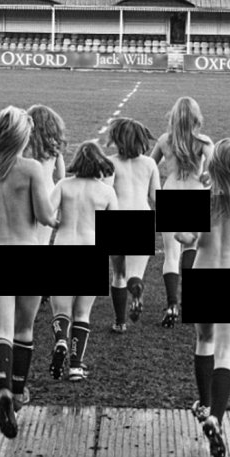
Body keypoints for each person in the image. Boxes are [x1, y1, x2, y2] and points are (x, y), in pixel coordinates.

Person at [0, 106, 58, 439]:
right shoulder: (32, 168)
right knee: (24, 329)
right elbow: (44, 216)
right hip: (29, 253)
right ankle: (18, 392)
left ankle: (2, 388)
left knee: (1, 331)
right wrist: (59, 217)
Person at [175, 138, 230, 457]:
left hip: (203, 273)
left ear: (214, 167)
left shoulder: (203, 199)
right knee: (227, 354)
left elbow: (184, 236)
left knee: (204, 341)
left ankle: (204, 403)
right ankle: (216, 418)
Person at [48, 141, 118, 381]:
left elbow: (46, 212)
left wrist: (56, 223)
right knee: (82, 312)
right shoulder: (106, 192)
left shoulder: (64, 185)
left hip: (64, 247)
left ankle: (61, 340)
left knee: (61, 310)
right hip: (91, 249)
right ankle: (76, 367)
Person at [151, 97, 213, 328]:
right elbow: (215, 167)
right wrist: (207, 175)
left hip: (171, 194)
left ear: (174, 117)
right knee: (191, 248)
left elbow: (149, 165)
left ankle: (172, 304)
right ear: (196, 118)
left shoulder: (164, 140)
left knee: (170, 254)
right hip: (195, 195)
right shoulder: (203, 142)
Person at [105, 117, 161, 332]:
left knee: (118, 274)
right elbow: (156, 197)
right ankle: (136, 287)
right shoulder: (149, 164)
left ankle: (120, 322)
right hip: (141, 217)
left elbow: (106, 193)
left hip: (117, 218)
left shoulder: (110, 162)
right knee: (135, 274)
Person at [26, 104, 67, 245]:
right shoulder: (54, 145)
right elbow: (61, 175)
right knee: (43, 240)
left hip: (26, 194)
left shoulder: (25, 145)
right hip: (49, 194)